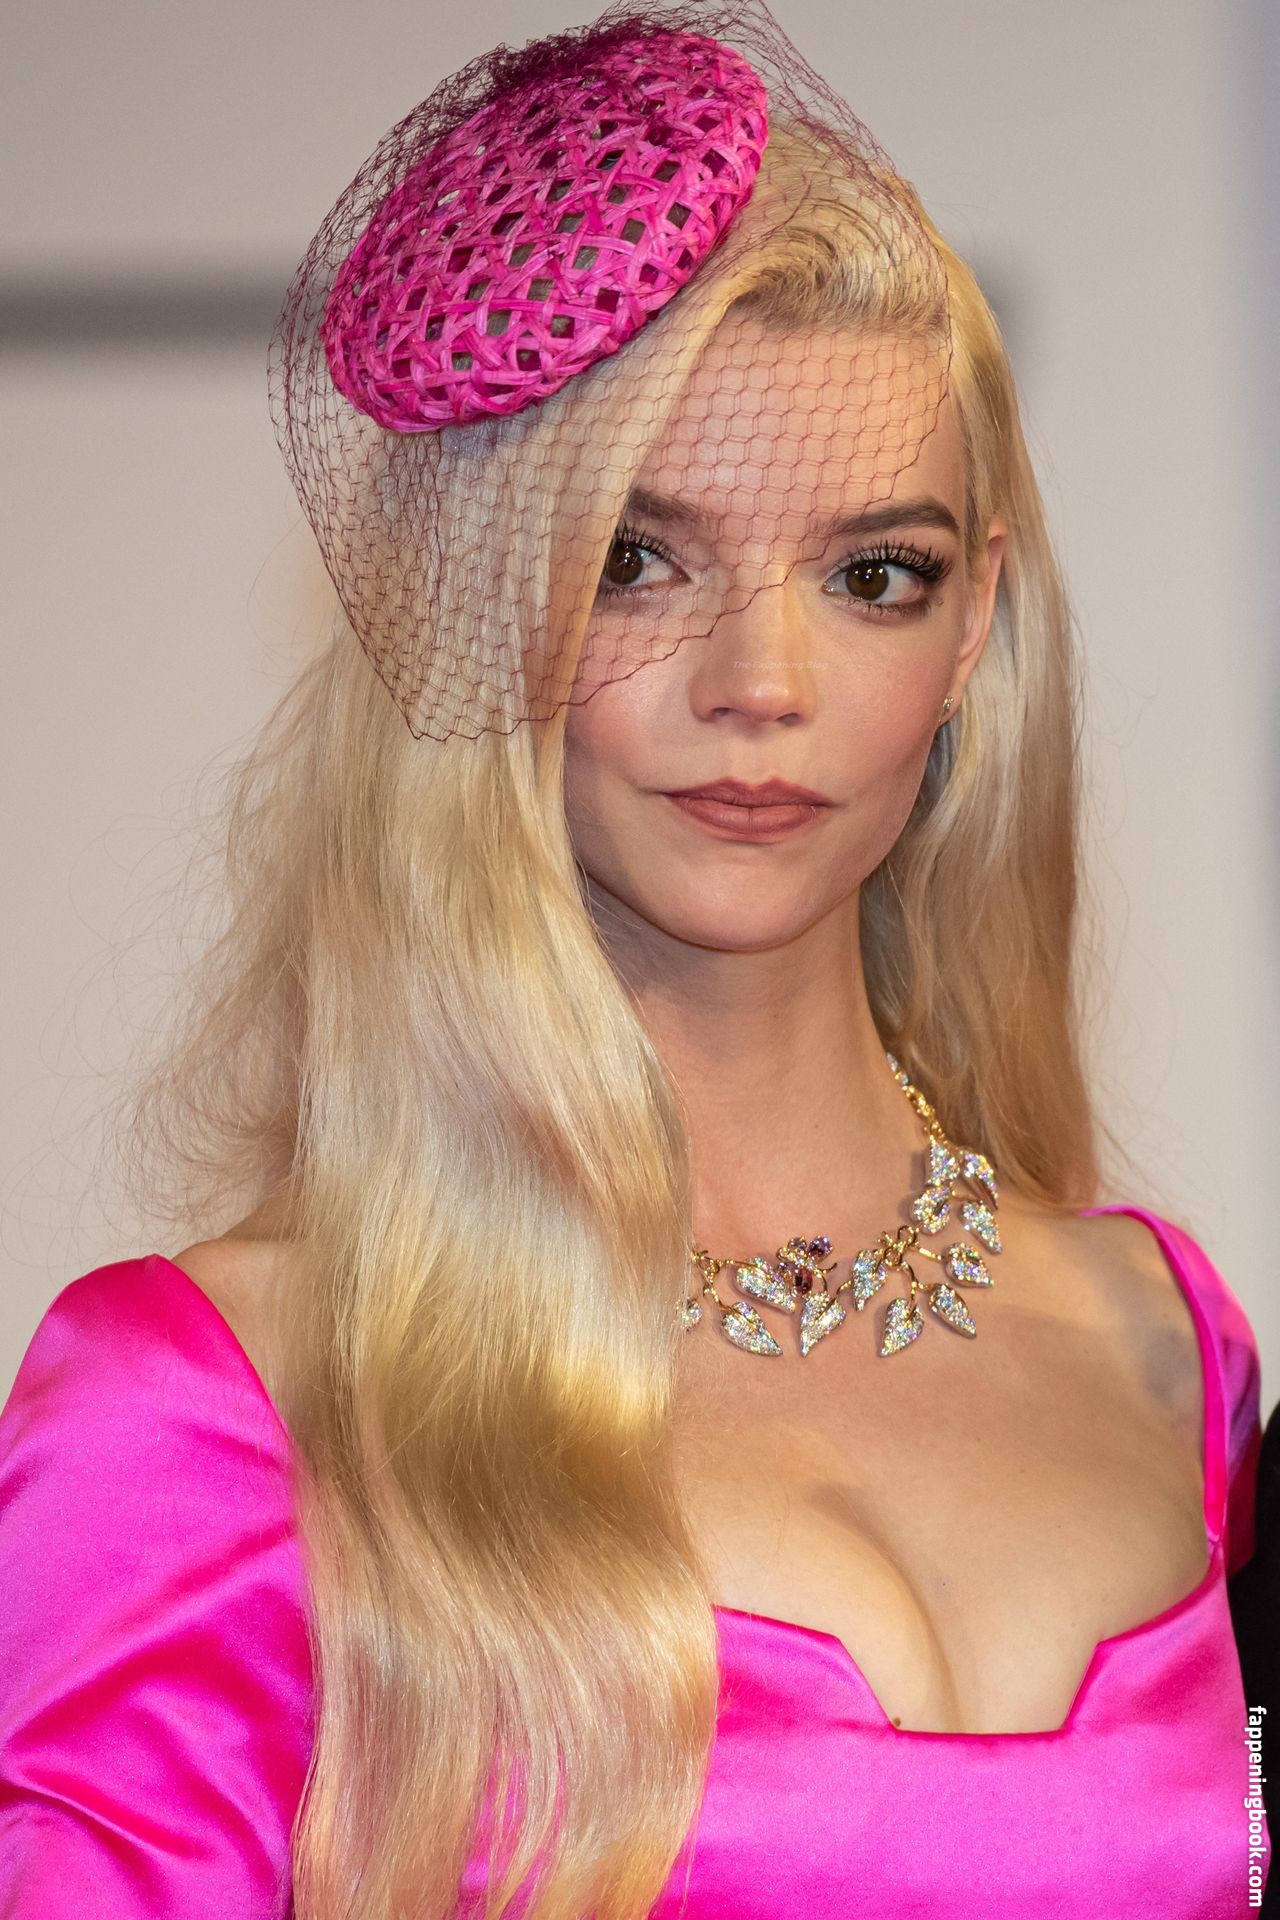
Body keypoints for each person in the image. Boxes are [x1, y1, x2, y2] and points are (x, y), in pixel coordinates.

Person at [0, 2, 1268, 1914]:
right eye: (637, 561)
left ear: (972, 627)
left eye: (875, 575)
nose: (762, 683)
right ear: (478, 602)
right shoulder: (211, 1410)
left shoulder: (1170, 1346)